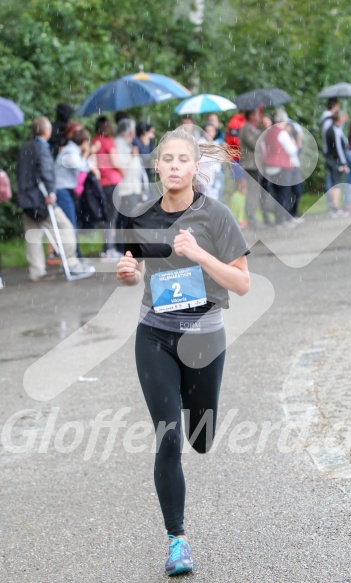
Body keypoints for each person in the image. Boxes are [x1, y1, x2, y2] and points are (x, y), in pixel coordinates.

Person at [116, 127, 250, 576]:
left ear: (196, 167)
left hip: (205, 338)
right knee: (168, 436)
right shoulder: (140, 216)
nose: (174, 166)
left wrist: (200, 257)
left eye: (182, 160)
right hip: (153, 334)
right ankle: (178, 541)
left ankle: (200, 433)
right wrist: (128, 273)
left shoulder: (215, 216)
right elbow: (136, 269)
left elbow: (243, 283)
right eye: (167, 159)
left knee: (201, 439)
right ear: (157, 166)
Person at [16, 117, 94, 281]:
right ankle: (71, 262)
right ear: (46, 131)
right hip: (42, 198)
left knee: (33, 236)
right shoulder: (42, 149)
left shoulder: (25, 148)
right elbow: (46, 172)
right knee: (65, 227)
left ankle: (37, 272)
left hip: (27, 199)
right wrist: (51, 192)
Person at [55, 128, 93, 257]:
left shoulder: (71, 150)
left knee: (72, 222)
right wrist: (86, 154)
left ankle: (75, 254)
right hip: (62, 190)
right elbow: (82, 167)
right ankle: (74, 256)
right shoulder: (70, 152)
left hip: (65, 190)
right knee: (70, 224)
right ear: (83, 142)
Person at [92, 117, 125, 258]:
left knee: (106, 217)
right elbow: (115, 162)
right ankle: (109, 249)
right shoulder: (108, 142)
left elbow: (91, 157)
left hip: (101, 184)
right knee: (112, 217)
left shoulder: (95, 142)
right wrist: (124, 172)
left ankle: (106, 248)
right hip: (113, 181)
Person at [115, 118, 147, 253]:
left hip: (133, 187)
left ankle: (128, 246)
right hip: (126, 188)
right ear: (128, 131)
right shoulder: (118, 144)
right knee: (126, 219)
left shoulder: (127, 144)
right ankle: (123, 247)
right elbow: (120, 165)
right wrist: (132, 155)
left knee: (130, 218)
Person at [262, 108, 298, 225]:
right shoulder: (282, 133)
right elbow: (292, 151)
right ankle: (281, 220)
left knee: (277, 194)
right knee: (284, 194)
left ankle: (278, 219)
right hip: (282, 167)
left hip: (269, 167)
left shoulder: (269, 132)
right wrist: (294, 144)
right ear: (282, 120)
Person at [239, 108, 267, 230]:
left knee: (256, 193)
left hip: (257, 165)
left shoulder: (253, 128)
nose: (259, 116)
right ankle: (251, 220)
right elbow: (255, 143)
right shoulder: (246, 128)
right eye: (256, 114)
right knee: (252, 193)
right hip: (251, 166)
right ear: (250, 115)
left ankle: (253, 218)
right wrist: (263, 131)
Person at [325, 110, 350, 217]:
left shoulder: (333, 128)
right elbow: (339, 148)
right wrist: (344, 163)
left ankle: (334, 206)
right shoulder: (334, 130)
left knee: (335, 183)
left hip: (331, 159)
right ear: (339, 119)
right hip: (336, 161)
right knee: (337, 184)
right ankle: (335, 207)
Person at [320, 98, 340, 203]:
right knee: (332, 178)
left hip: (329, 150)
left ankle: (332, 202)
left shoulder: (326, 118)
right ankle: (331, 203)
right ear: (334, 106)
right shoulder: (328, 119)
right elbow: (331, 136)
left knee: (331, 177)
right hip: (331, 152)